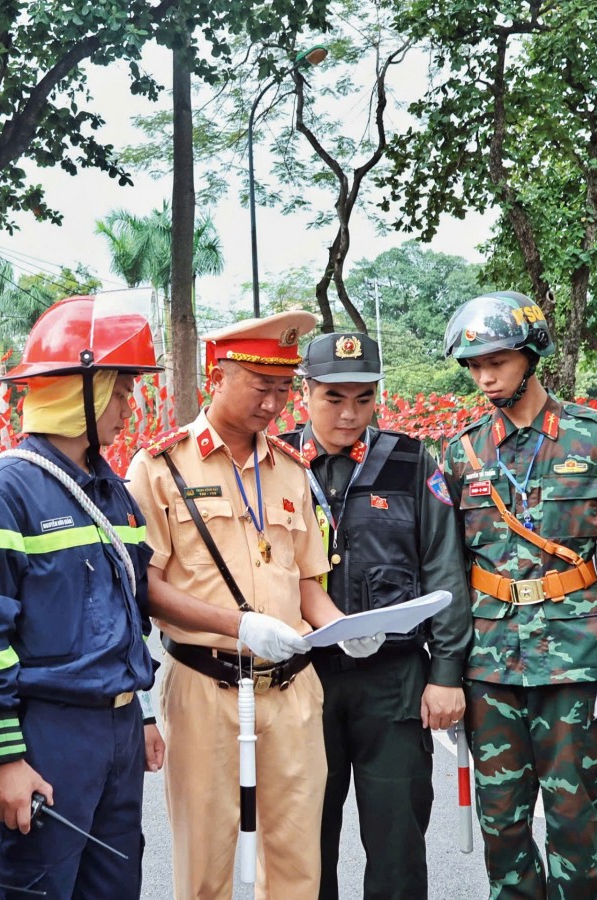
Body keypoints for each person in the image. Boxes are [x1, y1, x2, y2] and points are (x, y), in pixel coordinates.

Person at [126, 311, 371, 900]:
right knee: (206, 864)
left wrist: (343, 628)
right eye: (262, 387)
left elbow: (308, 583)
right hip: (207, 689)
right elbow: (146, 587)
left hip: (291, 692)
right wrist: (240, 625)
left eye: (285, 389)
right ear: (218, 374)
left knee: (294, 864)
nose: (275, 403)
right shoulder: (160, 467)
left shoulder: (291, 469)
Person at [438, 291, 597, 899]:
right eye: (474, 366)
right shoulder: (461, 452)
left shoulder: (596, 437)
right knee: (501, 826)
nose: (485, 376)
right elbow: (448, 569)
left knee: (573, 821)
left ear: (532, 355)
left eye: (498, 361)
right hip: (489, 666)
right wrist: (446, 672)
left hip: (574, 660)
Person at [0, 296, 167, 899]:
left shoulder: (112, 489)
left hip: (118, 731)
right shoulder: (0, 494)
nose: (130, 405)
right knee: (36, 889)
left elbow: (126, 613)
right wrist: (4, 757)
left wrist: (140, 711)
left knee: (114, 889)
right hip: (46, 733)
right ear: (83, 392)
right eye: (119, 391)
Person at [278, 332, 471, 900]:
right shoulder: (276, 463)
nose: (349, 413)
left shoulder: (411, 462)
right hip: (302, 678)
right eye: (334, 398)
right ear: (305, 393)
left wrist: (446, 674)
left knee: (397, 839)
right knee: (306, 841)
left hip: (394, 678)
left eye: (363, 399)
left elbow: (444, 567)